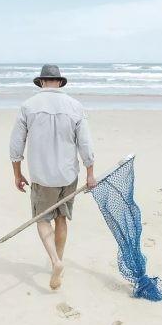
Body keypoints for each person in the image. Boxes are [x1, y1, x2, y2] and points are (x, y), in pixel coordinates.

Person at [9, 64, 96, 290]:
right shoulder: (75, 106)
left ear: (42, 82)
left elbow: (16, 143)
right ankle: (58, 260)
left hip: (42, 176)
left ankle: (55, 262)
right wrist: (90, 173)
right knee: (61, 219)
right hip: (68, 176)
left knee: (42, 219)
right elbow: (85, 143)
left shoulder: (28, 106)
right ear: (58, 82)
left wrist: (17, 173)